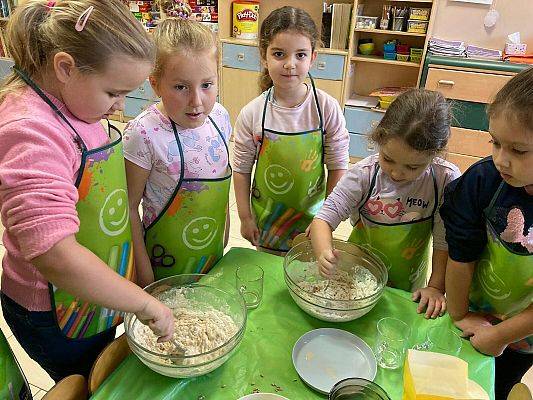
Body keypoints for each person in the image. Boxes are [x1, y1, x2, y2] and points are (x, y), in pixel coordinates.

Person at [0, 0, 174, 381]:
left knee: (104, 367)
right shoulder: (31, 131)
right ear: (65, 67)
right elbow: (56, 255)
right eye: (113, 92)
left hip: (95, 290)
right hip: (54, 308)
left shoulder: (76, 103)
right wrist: (144, 303)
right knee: (87, 382)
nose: (120, 105)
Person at [311, 89, 461, 318]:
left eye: (413, 167)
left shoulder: (444, 180)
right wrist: (323, 252)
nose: (397, 172)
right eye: (388, 159)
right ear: (379, 140)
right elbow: (324, 218)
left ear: (435, 155)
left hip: (408, 281)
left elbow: (443, 240)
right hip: (356, 279)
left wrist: (435, 287)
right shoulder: (363, 175)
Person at [441, 67, 533, 398]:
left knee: (500, 386)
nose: (500, 160)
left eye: (518, 151)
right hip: (475, 308)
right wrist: (460, 313)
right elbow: (461, 255)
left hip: (525, 332)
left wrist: (502, 335)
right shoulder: (482, 180)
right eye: (495, 143)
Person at [232, 6, 349, 254]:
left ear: (313, 58)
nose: (290, 64)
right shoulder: (253, 113)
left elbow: (338, 166)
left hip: (313, 222)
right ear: (264, 56)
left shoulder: (326, 108)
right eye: (279, 54)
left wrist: (326, 221)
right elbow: (241, 170)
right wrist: (245, 217)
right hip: (267, 223)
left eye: (300, 55)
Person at [124, 18, 232, 282]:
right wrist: (145, 275)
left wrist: (225, 233)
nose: (196, 102)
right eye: (181, 87)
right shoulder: (143, 134)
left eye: (207, 85)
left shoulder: (220, 117)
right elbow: (128, 210)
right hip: (163, 263)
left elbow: (220, 180)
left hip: (212, 253)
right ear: (155, 83)